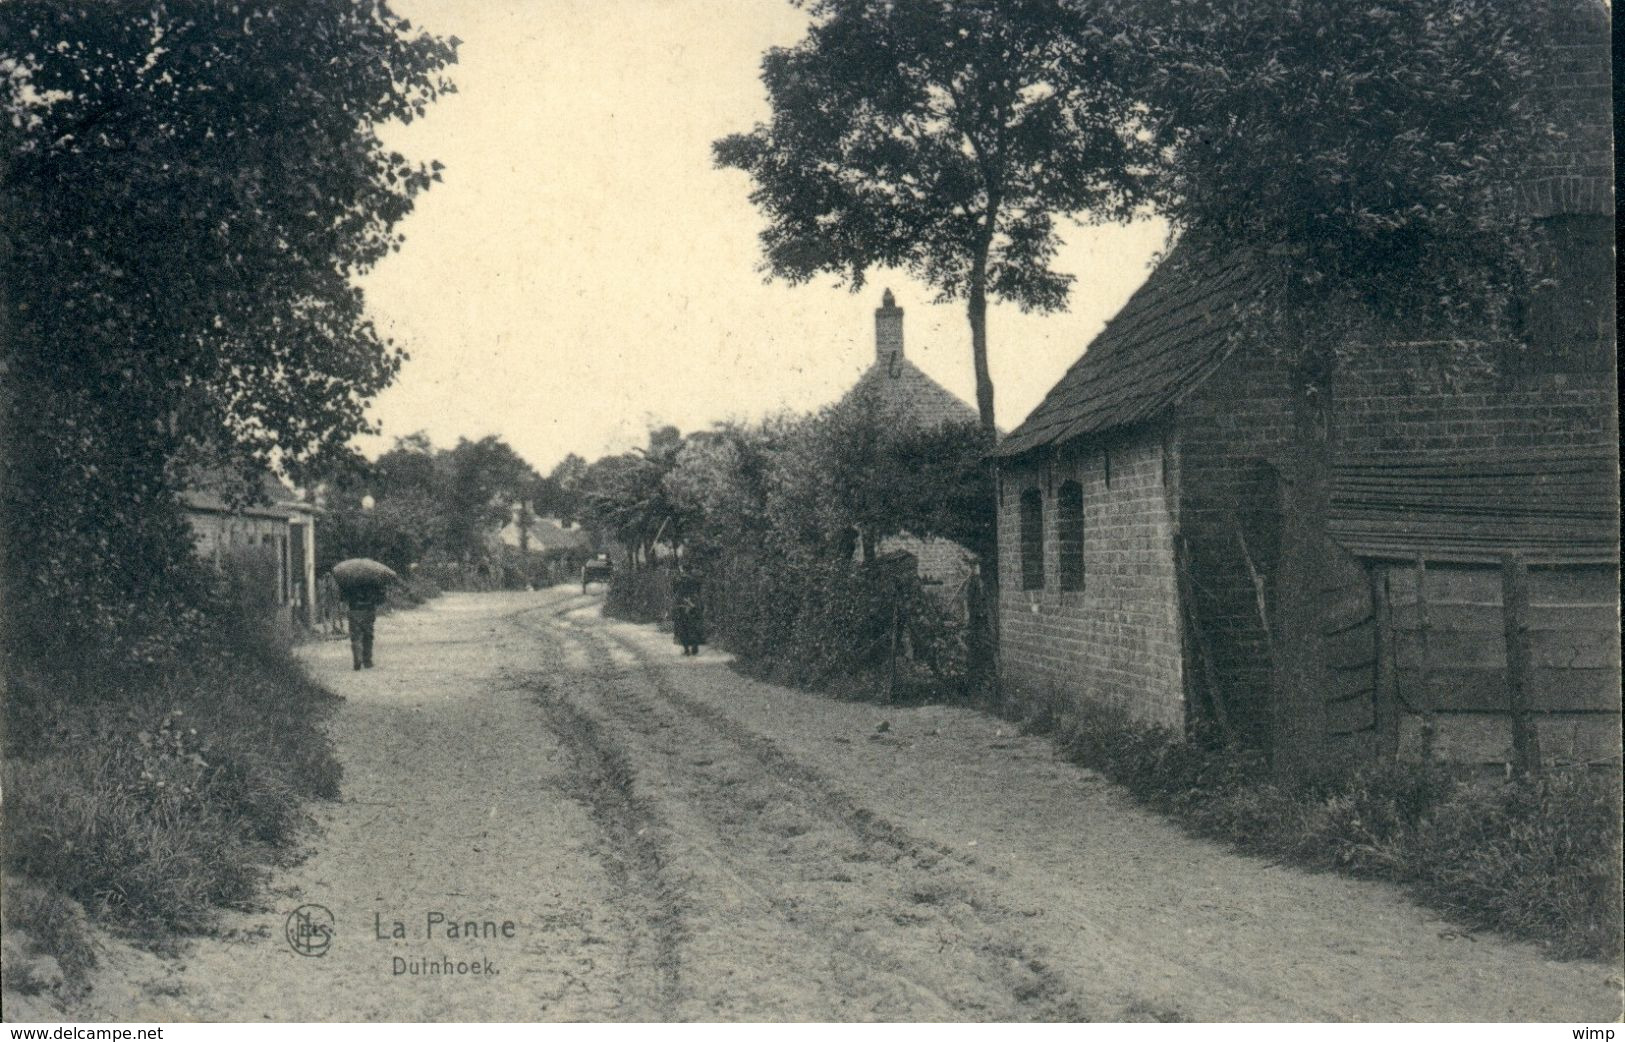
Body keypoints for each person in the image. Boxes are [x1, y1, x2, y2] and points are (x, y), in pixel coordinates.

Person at [342, 582, 387, 670]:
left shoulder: (350, 581)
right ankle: (367, 661)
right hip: (368, 611)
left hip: (354, 611)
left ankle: (357, 659)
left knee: (355, 637)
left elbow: (343, 597)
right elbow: (380, 599)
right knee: (368, 636)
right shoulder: (373, 582)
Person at [671, 563, 705, 657]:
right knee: (694, 626)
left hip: (681, 604)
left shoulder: (678, 579)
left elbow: (674, 591)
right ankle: (695, 646)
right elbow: (699, 591)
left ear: (683, 569)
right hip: (693, 603)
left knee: (683, 627)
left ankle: (686, 649)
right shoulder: (695, 579)